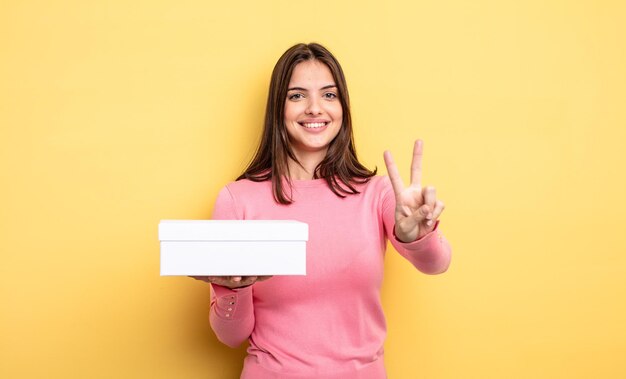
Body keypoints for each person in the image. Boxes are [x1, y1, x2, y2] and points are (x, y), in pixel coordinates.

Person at [191, 42, 452, 379]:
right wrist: (234, 289)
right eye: (297, 95)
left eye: (329, 95)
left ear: (343, 106)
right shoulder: (237, 199)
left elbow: (437, 264)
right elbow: (230, 336)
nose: (315, 108)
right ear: (278, 108)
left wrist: (418, 236)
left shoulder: (378, 193)